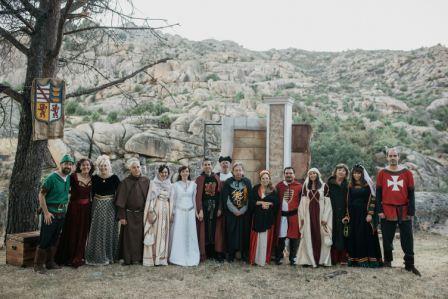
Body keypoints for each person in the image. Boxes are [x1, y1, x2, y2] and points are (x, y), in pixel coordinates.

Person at [376, 148, 421, 276]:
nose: (392, 157)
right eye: (390, 155)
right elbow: (378, 193)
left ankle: (409, 264)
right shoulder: (382, 173)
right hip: (387, 209)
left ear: (398, 157)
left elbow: (411, 193)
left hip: (404, 209)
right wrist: (379, 210)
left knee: (407, 238)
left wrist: (411, 210)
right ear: (387, 157)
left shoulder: (407, 173)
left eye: (395, 155)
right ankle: (387, 261)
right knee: (387, 238)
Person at [34, 154, 74, 273]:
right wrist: (46, 213)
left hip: (61, 213)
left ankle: (50, 262)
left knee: (55, 238)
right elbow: (41, 194)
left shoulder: (68, 178)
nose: (68, 166)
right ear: (61, 164)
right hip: (50, 213)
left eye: (70, 164)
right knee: (45, 239)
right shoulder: (51, 178)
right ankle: (38, 265)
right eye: (66, 163)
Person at [56, 158, 94, 267]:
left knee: (83, 232)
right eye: (83, 165)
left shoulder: (92, 178)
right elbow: (64, 188)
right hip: (74, 208)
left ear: (91, 167)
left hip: (87, 209)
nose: (86, 167)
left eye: (88, 165)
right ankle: (69, 257)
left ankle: (79, 256)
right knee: (72, 231)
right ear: (79, 166)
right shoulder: (73, 177)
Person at [85, 155, 121, 265]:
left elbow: (119, 194)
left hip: (110, 207)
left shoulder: (114, 178)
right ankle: (96, 255)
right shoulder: (94, 178)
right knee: (97, 229)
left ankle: (110, 256)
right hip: (97, 206)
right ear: (98, 166)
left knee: (109, 229)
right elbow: (90, 193)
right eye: (101, 165)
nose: (103, 168)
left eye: (105, 165)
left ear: (109, 166)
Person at [347, 164, 383, 268]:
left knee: (366, 235)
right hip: (353, 214)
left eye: (358, 173)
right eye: (354, 173)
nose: (356, 175)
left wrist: (370, 214)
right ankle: (356, 259)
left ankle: (369, 259)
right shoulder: (350, 185)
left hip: (365, 213)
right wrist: (348, 214)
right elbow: (348, 200)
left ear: (362, 174)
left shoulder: (368, 185)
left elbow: (373, 199)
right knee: (355, 235)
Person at [115, 158, 150, 265]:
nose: (136, 169)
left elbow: (151, 198)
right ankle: (128, 258)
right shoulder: (125, 182)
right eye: (134, 167)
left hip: (142, 214)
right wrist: (122, 217)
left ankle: (139, 258)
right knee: (129, 239)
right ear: (130, 169)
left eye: (138, 167)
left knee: (140, 238)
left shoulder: (146, 181)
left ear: (140, 168)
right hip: (129, 215)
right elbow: (120, 202)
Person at [297, 168, 332, 267]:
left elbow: (328, 203)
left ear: (317, 174)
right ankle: (308, 260)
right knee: (308, 236)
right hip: (308, 215)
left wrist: (325, 217)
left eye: (314, 173)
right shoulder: (305, 186)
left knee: (320, 235)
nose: (312, 175)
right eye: (310, 173)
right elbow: (303, 202)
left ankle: (322, 260)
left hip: (320, 216)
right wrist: (302, 216)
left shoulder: (324, 186)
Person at [221, 162, 252, 262]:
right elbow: (226, 198)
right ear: (233, 172)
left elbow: (249, 198)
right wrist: (234, 210)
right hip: (232, 213)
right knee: (231, 233)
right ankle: (231, 254)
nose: (238, 172)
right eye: (236, 170)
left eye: (240, 170)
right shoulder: (228, 182)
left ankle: (244, 254)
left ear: (243, 171)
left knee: (244, 233)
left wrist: (242, 210)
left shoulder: (247, 182)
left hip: (244, 213)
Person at [143, 165, 173, 266]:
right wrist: (150, 211)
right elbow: (151, 199)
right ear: (158, 173)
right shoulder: (153, 183)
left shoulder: (169, 184)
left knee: (164, 232)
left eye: (166, 172)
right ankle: (154, 257)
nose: (164, 174)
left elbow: (171, 199)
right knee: (156, 232)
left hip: (166, 209)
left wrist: (171, 212)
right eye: (162, 172)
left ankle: (162, 258)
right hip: (156, 209)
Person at [169, 166, 200, 266]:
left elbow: (194, 200)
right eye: (183, 171)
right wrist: (172, 213)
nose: (185, 173)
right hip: (179, 212)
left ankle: (192, 256)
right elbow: (173, 201)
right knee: (179, 234)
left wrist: (196, 212)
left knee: (191, 234)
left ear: (189, 173)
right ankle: (178, 257)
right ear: (180, 173)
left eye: (187, 171)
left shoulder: (194, 185)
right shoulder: (175, 185)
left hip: (190, 212)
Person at [248, 170, 278, 266]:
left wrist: (269, 204)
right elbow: (251, 201)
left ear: (269, 179)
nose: (265, 180)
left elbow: (276, 202)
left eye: (267, 178)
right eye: (263, 178)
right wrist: (261, 203)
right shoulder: (255, 188)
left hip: (268, 218)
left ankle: (264, 259)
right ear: (260, 179)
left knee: (266, 237)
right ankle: (255, 259)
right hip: (257, 217)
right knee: (257, 237)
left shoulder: (273, 189)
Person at [274, 167, 302, 265]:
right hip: (282, 216)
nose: (288, 175)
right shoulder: (279, 186)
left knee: (294, 238)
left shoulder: (299, 186)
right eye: (287, 173)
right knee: (281, 237)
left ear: (294, 174)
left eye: (290, 173)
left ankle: (293, 258)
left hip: (294, 215)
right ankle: (279, 257)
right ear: (284, 174)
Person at [195, 158, 221, 261]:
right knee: (205, 229)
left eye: (209, 164)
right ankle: (204, 252)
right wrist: (200, 209)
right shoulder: (200, 179)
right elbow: (198, 196)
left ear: (212, 165)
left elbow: (220, 194)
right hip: (205, 207)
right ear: (203, 166)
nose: (207, 166)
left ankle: (214, 252)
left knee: (214, 229)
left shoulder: (216, 178)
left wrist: (220, 208)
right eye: (205, 164)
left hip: (215, 206)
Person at [327, 163, 349, 265]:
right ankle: (332, 258)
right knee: (332, 233)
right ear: (335, 172)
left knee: (343, 235)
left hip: (344, 213)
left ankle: (343, 258)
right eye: (339, 170)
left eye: (344, 171)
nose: (341, 172)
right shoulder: (328, 184)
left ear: (346, 174)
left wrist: (347, 214)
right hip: (331, 212)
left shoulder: (348, 185)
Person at [213, 155, 233, 262]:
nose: (225, 165)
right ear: (220, 165)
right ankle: (219, 252)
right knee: (219, 230)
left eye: (227, 163)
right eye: (223, 163)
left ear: (230, 165)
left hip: (231, 208)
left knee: (229, 229)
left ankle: (229, 252)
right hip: (219, 207)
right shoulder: (216, 176)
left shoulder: (234, 176)